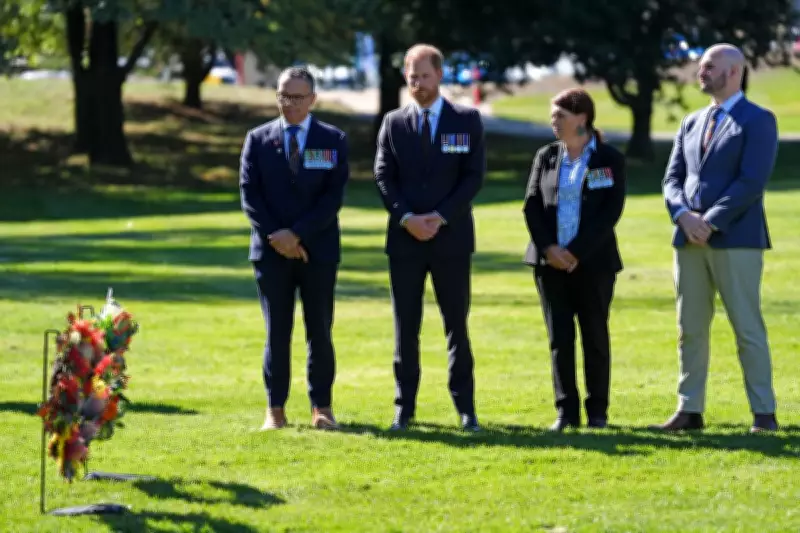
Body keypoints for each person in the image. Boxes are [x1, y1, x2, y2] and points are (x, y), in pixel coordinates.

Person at [654, 43, 779, 433]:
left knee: (746, 327)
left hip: (736, 239)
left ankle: (764, 413)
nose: (701, 72)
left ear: (734, 72)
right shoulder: (691, 122)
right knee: (689, 328)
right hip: (688, 241)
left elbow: (751, 182)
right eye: (701, 66)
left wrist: (709, 222)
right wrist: (683, 216)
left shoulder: (759, 120)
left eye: (709, 66)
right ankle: (689, 410)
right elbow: (672, 179)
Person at [373, 43, 486, 432]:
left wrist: (439, 217)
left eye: (424, 75)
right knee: (406, 327)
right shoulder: (393, 123)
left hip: (450, 238)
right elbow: (383, 176)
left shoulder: (466, 120)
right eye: (412, 76)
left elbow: (473, 177)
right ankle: (404, 408)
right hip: (405, 241)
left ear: (439, 74)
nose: (418, 83)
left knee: (456, 325)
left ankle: (466, 409)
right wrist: (407, 218)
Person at [239, 66, 349, 431]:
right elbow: (250, 195)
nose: (290, 103)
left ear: (313, 99)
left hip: (318, 250)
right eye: (284, 96)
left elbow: (331, 198)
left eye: (298, 97)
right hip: (270, 252)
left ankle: (322, 408)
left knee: (320, 330)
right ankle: (275, 410)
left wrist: (297, 235)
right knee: (277, 331)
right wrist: (278, 237)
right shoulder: (257, 139)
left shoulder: (332, 140)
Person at [522, 88, 626, 432]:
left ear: (581, 118)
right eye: (553, 115)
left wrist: (575, 252)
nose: (553, 121)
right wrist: (549, 249)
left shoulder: (608, 159)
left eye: (559, 115)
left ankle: (597, 413)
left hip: (593, 264)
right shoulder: (546, 156)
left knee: (594, 337)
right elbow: (532, 205)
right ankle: (566, 412)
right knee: (560, 339)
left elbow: (609, 212)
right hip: (549, 265)